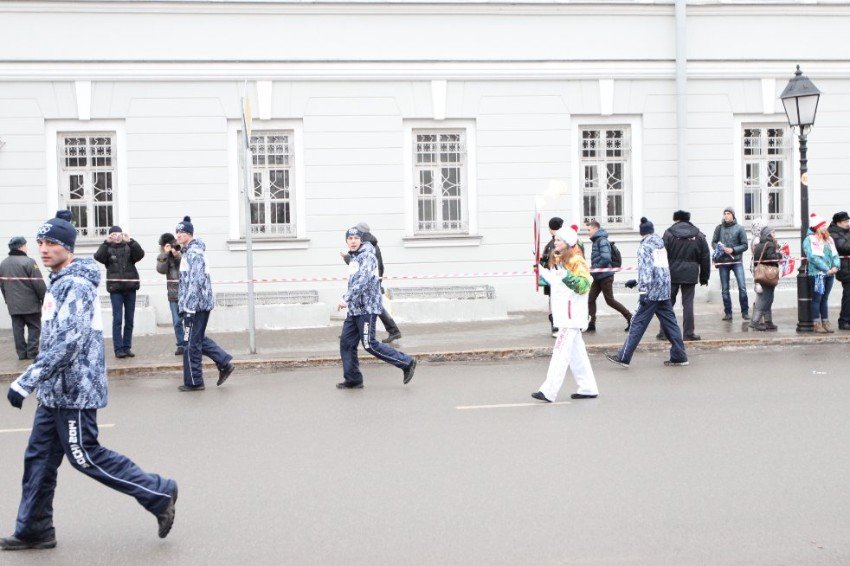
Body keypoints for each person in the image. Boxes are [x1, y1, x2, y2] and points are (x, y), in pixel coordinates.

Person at [1, 210, 177, 551]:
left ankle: (158, 492)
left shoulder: (77, 286)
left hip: (75, 391)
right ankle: (34, 528)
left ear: (68, 247)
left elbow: (69, 342)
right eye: (40, 242)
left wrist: (26, 380)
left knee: (86, 456)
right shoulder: (59, 282)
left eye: (52, 242)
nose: (44, 248)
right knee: (38, 458)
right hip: (55, 393)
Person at [337, 226, 417, 389]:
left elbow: (363, 281)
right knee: (346, 343)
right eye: (350, 239)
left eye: (356, 239)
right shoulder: (355, 257)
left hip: (367, 308)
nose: (353, 241)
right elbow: (354, 281)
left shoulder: (367, 256)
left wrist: (346, 298)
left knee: (370, 344)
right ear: (347, 241)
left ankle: (407, 362)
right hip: (355, 309)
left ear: (361, 240)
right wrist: (350, 301)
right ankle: (353, 378)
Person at [605, 217, 688, 368]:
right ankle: (680, 356)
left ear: (641, 232)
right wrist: (637, 281)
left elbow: (647, 269)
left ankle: (623, 357)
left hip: (651, 291)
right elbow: (658, 268)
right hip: (664, 289)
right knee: (671, 324)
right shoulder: (660, 244)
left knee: (637, 322)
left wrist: (643, 290)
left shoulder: (644, 247)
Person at [531, 227, 598, 402]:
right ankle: (588, 387)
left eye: (559, 240)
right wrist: (540, 269)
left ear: (567, 243)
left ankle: (548, 391)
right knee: (577, 355)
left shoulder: (577, 261)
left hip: (572, 316)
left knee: (560, 352)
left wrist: (567, 276)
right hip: (565, 316)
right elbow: (555, 281)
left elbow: (584, 286)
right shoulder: (560, 260)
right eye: (555, 239)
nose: (555, 242)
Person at [175, 216, 234, 391]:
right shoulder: (188, 252)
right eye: (177, 232)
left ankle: (194, 382)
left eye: (182, 232)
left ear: (189, 234)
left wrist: (190, 307)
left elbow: (196, 281)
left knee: (190, 343)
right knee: (196, 339)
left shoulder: (194, 253)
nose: (178, 235)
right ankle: (223, 362)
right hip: (194, 305)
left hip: (196, 306)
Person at [341, 221, 402, 343]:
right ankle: (393, 331)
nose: (354, 239)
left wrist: (347, 258)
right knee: (375, 306)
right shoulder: (371, 244)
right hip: (374, 279)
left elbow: (363, 267)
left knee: (376, 307)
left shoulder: (368, 247)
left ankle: (394, 331)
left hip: (371, 281)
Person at [655, 210, 710, 341]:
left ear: (676, 220)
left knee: (668, 303)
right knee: (688, 303)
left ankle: (664, 332)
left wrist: (660, 275)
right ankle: (688, 333)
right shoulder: (699, 235)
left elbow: (661, 255)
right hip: (690, 273)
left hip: (672, 273)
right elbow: (705, 257)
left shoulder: (668, 234)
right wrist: (704, 276)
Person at [94, 226, 145, 358]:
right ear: (110, 236)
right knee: (117, 319)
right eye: (113, 234)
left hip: (130, 288)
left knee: (129, 319)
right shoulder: (108, 249)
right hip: (115, 290)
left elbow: (140, 255)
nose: (116, 236)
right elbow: (98, 257)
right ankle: (118, 349)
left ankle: (127, 347)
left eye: (118, 234)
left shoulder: (129, 247)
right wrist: (105, 242)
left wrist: (131, 241)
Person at [0, 237, 46, 360]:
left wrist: (7, 300)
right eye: (25, 245)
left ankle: (21, 354)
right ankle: (32, 353)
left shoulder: (3, 264)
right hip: (30, 304)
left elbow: (2, 286)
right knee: (34, 327)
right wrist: (44, 298)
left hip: (13, 305)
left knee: (17, 330)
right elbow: (38, 283)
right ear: (20, 247)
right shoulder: (29, 262)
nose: (26, 248)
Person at [586, 219, 631, 333]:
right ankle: (591, 324)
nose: (588, 232)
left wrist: (595, 267)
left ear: (596, 229)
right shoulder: (597, 241)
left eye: (589, 229)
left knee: (610, 301)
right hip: (598, 276)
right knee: (590, 299)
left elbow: (606, 259)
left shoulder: (602, 241)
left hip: (605, 276)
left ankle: (631, 318)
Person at [804, 213, 840, 333]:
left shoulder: (829, 239)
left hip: (830, 274)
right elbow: (812, 257)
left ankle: (825, 321)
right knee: (817, 298)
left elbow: (835, 254)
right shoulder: (809, 239)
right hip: (817, 274)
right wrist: (826, 269)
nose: (825, 227)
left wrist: (836, 266)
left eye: (825, 225)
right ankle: (816, 323)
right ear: (817, 227)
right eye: (823, 225)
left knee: (825, 298)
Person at [711, 207, 749, 321]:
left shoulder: (740, 228)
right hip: (723, 262)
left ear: (733, 215)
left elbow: (745, 245)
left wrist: (733, 249)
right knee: (725, 289)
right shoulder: (719, 228)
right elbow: (713, 242)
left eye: (728, 213)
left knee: (742, 287)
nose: (726, 216)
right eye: (725, 214)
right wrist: (719, 248)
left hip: (736, 261)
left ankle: (745, 312)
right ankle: (728, 313)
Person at [156, 233, 185, 355]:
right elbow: (161, 270)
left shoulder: (181, 250)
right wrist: (165, 255)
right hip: (173, 294)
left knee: (189, 321)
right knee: (177, 321)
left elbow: (185, 264)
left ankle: (191, 343)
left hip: (185, 292)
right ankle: (181, 345)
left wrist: (177, 254)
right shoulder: (163, 256)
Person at [750, 225, 781, 331]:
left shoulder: (759, 244)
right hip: (768, 275)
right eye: (773, 232)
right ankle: (755, 322)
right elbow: (770, 257)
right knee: (764, 299)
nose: (774, 234)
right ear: (768, 234)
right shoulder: (770, 244)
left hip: (760, 274)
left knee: (768, 298)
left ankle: (768, 322)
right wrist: (779, 255)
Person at [540, 216, 564, 337]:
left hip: (555, 278)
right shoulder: (566, 241)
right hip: (562, 278)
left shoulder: (552, 244)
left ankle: (556, 326)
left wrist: (540, 260)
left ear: (550, 229)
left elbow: (545, 262)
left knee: (554, 302)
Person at [827, 211, 850, 330]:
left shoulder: (846, 231)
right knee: (848, 295)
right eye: (845, 222)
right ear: (838, 223)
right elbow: (844, 247)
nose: (848, 223)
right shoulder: (833, 234)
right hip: (845, 269)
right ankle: (844, 320)